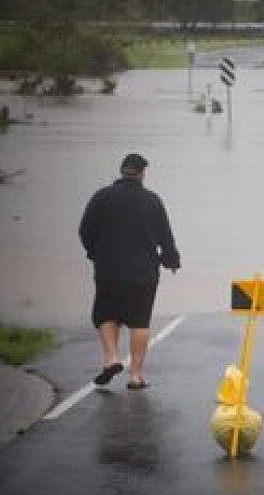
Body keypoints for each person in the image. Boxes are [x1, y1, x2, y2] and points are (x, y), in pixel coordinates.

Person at [79, 153, 180, 389]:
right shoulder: (152, 201)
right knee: (139, 322)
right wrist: (171, 260)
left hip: (108, 269)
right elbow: (165, 236)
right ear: (142, 173)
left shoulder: (102, 197)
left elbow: (85, 230)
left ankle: (112, 358)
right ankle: (135, 375)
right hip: (142, 273)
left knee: (105, 315)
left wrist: (95, 252)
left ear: (122, 171)